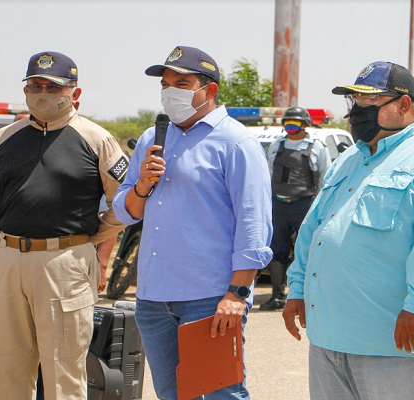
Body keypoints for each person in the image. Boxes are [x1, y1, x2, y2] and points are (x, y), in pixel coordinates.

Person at [282, 61, 414, 400]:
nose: (358, 111)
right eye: (355, 101)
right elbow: (315, 229)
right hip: (328, 338)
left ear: (403, 105)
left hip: (396, 341)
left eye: (371, 101)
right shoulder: (349, 159)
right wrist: (297, 288)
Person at [0, 51, 127, 400]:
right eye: (34, 85)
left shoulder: (97, 140)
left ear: (75, 93)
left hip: (65, 265)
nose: (42, 93)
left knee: (64, 373)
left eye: (53, 86)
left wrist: (92, 236)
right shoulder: (2, 139)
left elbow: (126, 205)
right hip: (7, 260)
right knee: (8, 370)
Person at [112, 45, 273, 400]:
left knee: (219, 394)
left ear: (209, 90)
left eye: (181, 83)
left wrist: (238, 293)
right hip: (154, 298)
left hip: (209, 297)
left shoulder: (236, 143)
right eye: (165, 83)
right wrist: (142, 185)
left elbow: (254, 224)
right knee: (171, 395)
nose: (170, 92)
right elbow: (124, 211)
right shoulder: (151, 139)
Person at [260, 106, 331, 311]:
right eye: (287, 122)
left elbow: (324, 176)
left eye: (296, 122)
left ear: (305, 124)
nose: (291, 126)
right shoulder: (276, 145)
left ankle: (307, 296)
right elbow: (269, 171)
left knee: (308, 250)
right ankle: (277, 296)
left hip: (305, 205)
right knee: (276, 251)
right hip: (279, 204)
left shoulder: (317, 146)